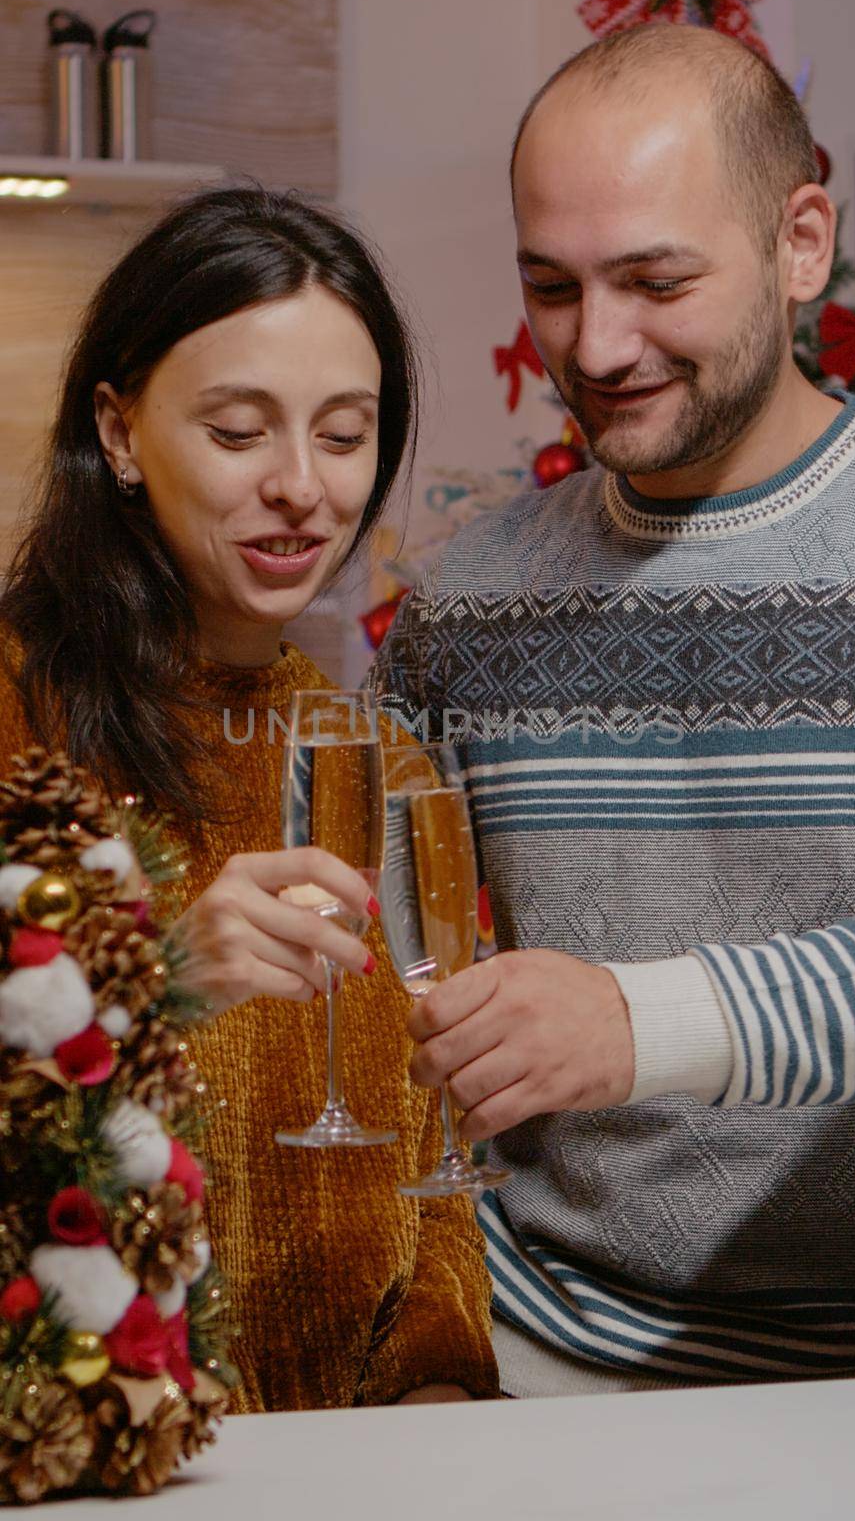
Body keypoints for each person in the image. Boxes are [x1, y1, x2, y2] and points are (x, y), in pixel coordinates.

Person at [372, 24, 855, 1397]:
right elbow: (374, 968)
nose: (595, 347)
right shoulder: (468, 596)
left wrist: (642, 1021)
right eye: (551, 287)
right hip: (546, 1347)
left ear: (799, 245)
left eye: (655, 282)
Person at [0, 186, 497, 1411]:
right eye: (237, 433)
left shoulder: (370, 757)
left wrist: (437, 1412)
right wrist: (151, 971)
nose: (302, 489)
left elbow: (434, 1193)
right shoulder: (16, 711)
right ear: (117, 431)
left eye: (344, 434)